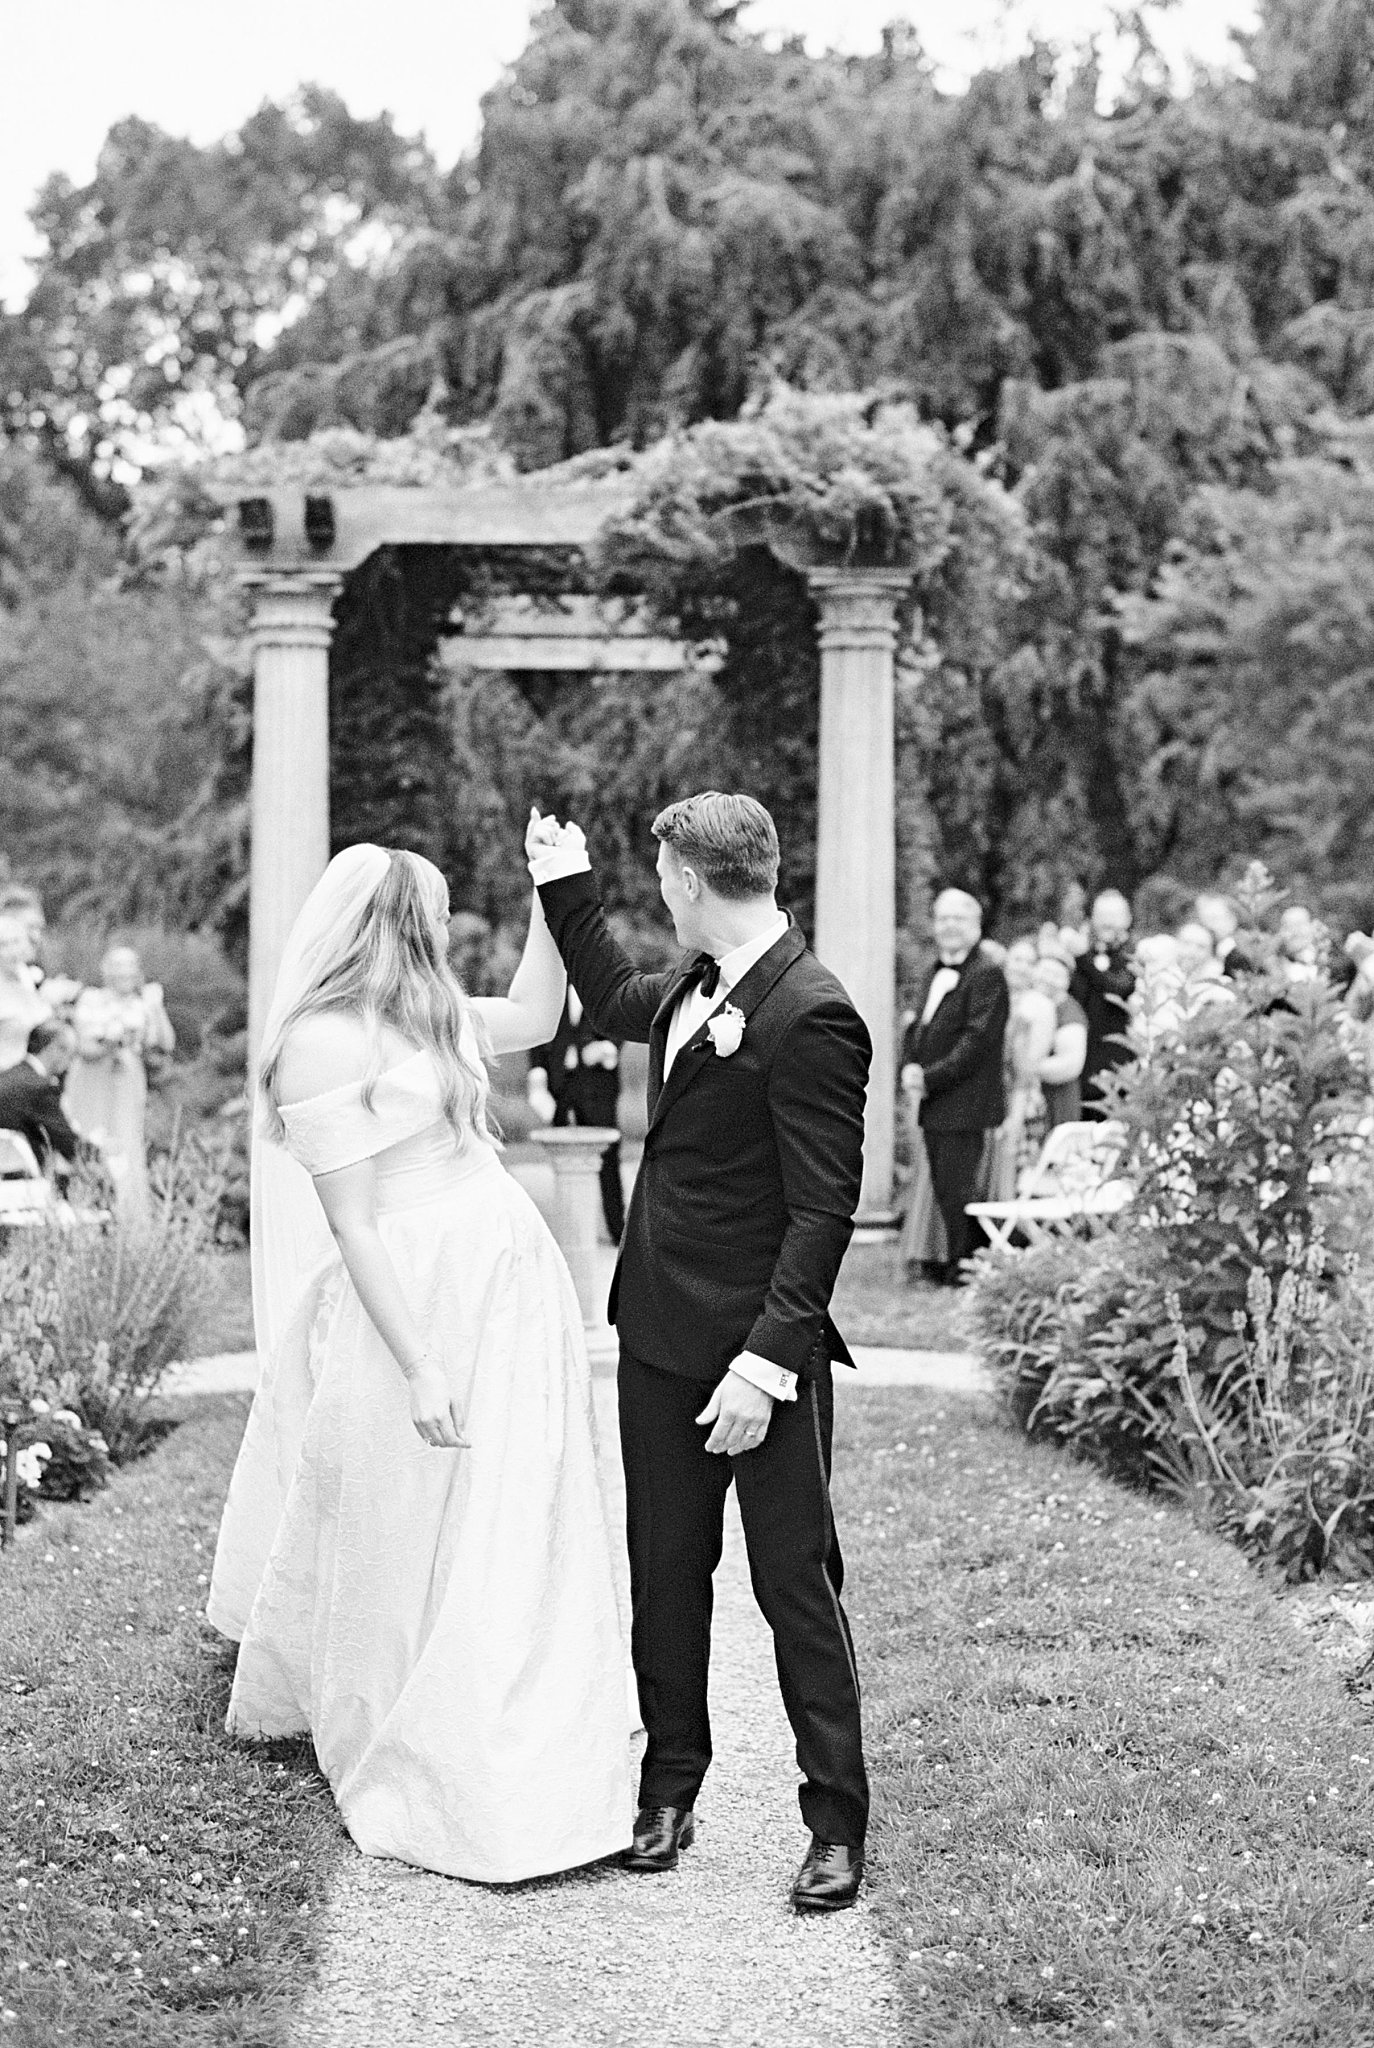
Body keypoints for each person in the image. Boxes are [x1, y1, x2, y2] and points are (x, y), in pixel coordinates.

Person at [207, 840, 634, 1884]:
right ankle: (421, 1713)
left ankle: (524, 1705)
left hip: (506, 1273)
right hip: (415, 1289)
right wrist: (420, 1363)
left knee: (516, 1492)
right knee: (410, 1501)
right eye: (438, 913)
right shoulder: (318, 1042)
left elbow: (535, 1015)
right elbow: (354, 1226)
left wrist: (550, 893)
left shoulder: (436, 1010)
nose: (449, 929)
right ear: (394, 920)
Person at [530, 791, 871, 1913]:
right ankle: (668, 1786)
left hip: (760, 1360)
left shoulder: (812, 1012)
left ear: (687, 881)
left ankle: (835, 1820)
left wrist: (766, 1368)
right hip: (661, 1339)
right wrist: (563, 880)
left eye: (658, 874)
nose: (658, 891)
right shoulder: (688, 985)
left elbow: (822, 1213)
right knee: (666, 1572)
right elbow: (610, 987)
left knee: (792, 1585)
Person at [901, 889, 1009, 1283]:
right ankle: (954, 1264)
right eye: (942, 918)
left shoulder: (988, 974)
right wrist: (909, 1064)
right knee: (947, 1189)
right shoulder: (932, 971)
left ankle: (968, 1269)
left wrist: (929, 1078)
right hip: (936, 1101)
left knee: (962, 1188)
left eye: (957, 919)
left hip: (967, 1101)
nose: (948, 926)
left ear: (976, 926)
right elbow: (918, 1025)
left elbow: (976, 1042)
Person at [65, 946, 175, 1226]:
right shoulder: (91, 998)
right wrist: (111, 1041)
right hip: (91, 1080)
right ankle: (84, 1210)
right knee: (88, 1138)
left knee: (127, 1144)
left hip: (125, 1081)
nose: (123, 973)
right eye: (117, 966)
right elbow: (83, 1045)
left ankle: (127, 1219)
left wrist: (155, 1006)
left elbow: (165, 1043)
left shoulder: (143, 1003)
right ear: (105, 969)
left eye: (129, 966)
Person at [528, 988, 626, 1241]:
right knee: (561, 1157)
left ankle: (619, 1231)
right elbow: (537, 1031)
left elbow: (621, 1020)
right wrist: (537, 1075)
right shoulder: (551, 987)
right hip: (559, 1084)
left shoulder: (600, 983)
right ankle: (568, 1233)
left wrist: (605, 1047)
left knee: (607, 1156)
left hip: (597, 1084)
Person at [985, 937, 1055, 1203]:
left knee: (1016, 1174)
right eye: (1017, 959)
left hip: (1020, 1097)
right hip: (987, 1094)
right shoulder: (991, 997)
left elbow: (1030, 1066)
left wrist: (1015, 1113)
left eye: (1030, 962)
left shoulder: (1040, 1005)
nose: (1022, 967)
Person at [1070, 890, 1136, 1117]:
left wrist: (1083, 960)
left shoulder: (1131, 955)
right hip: (1081, 1060)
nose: (1108, 922)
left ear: (1127, 919)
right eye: (1102, 915)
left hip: (1114, 1063)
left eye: (1114, 915)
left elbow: (1118, 988)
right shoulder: (1081, 952)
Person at [0, 1020, 90, 1179]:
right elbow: (69, 1146)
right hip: (26, 1179)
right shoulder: (41, 1088)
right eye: (70, 1054)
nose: (70, 1062)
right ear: (55, 1048)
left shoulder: (6, 1078)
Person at [1030, 951, 1089, 1127]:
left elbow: (1070, 1065)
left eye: (1056, 975)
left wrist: (1026, 1069)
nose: (1048, 979)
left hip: (1055, 1100)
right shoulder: (1032, 1002)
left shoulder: (1069, 1014)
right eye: (1044, 971)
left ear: (1067, 981)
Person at [0, 915, 52, 1071]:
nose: (11, 951)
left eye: (15, 942)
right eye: (2, 944)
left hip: (29, 1073)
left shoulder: (29, 977)